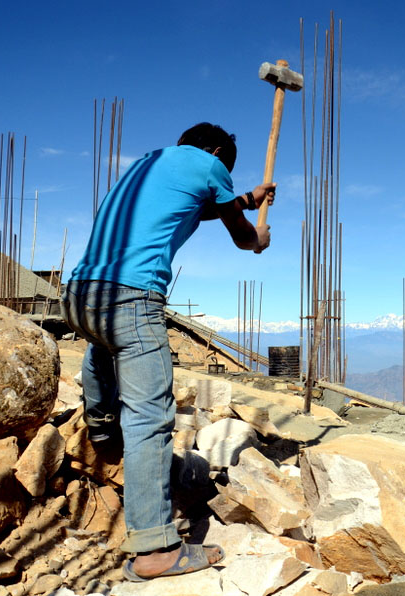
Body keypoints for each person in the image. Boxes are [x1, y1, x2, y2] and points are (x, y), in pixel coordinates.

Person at [60, 123, 275, 581]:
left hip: (78, 293)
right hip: (131, 296)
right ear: (216, 152)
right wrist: (259, 237)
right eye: (225, 167)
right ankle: (155, 546)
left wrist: (248, 200)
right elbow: (241, 237)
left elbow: (206, 208)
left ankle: (101, 430)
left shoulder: (148, 163)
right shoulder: (210, 164)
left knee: (104, 345)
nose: (223, 174)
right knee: (149, 418)